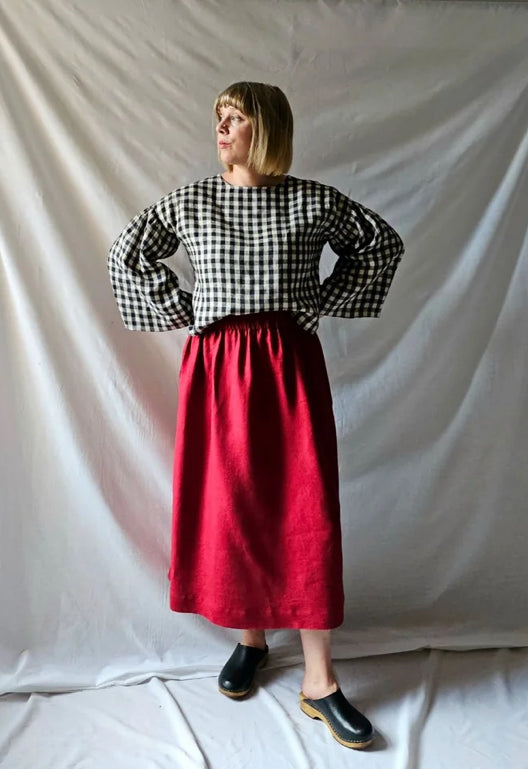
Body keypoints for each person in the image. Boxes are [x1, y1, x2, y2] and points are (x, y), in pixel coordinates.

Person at [107, 81, 404, 750]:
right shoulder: (194, 201)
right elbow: (128, 252)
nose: (221, 129)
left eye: (234, 119)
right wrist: (188, 313)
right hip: (217, 374)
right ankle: (251, 636)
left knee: (304, 507)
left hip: (288, 370)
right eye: (219, 118)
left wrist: (320, 302)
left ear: (264, 127)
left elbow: (381, 244)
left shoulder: (309, 201)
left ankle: (319, 679)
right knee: (234, 504)